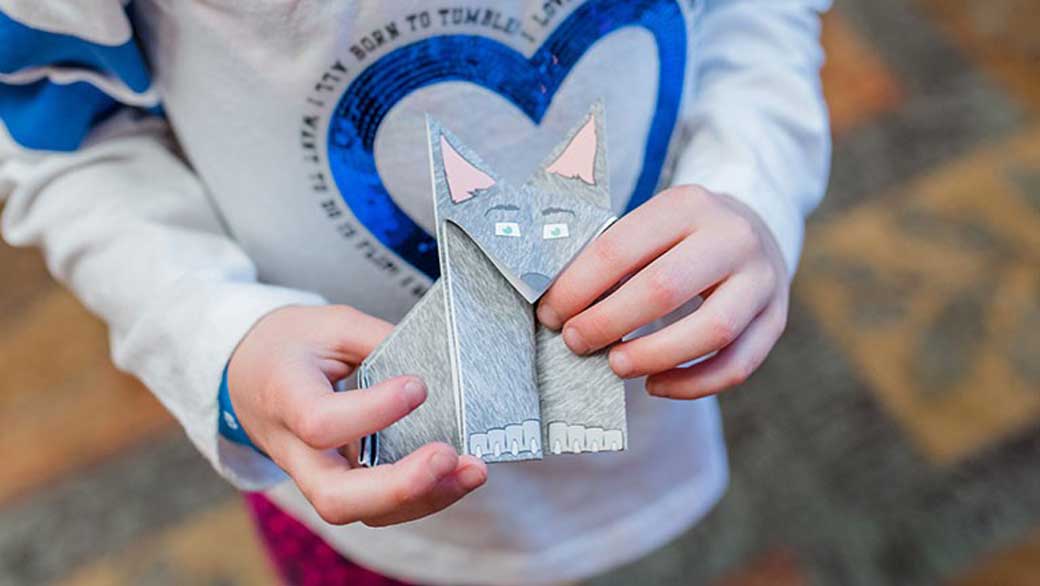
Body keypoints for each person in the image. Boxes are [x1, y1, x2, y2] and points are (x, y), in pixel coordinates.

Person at [0, 1, 831, 584]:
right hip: (353, 472)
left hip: (656, 402)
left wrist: (753, 180)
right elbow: (57, 137)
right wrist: (217, 336)